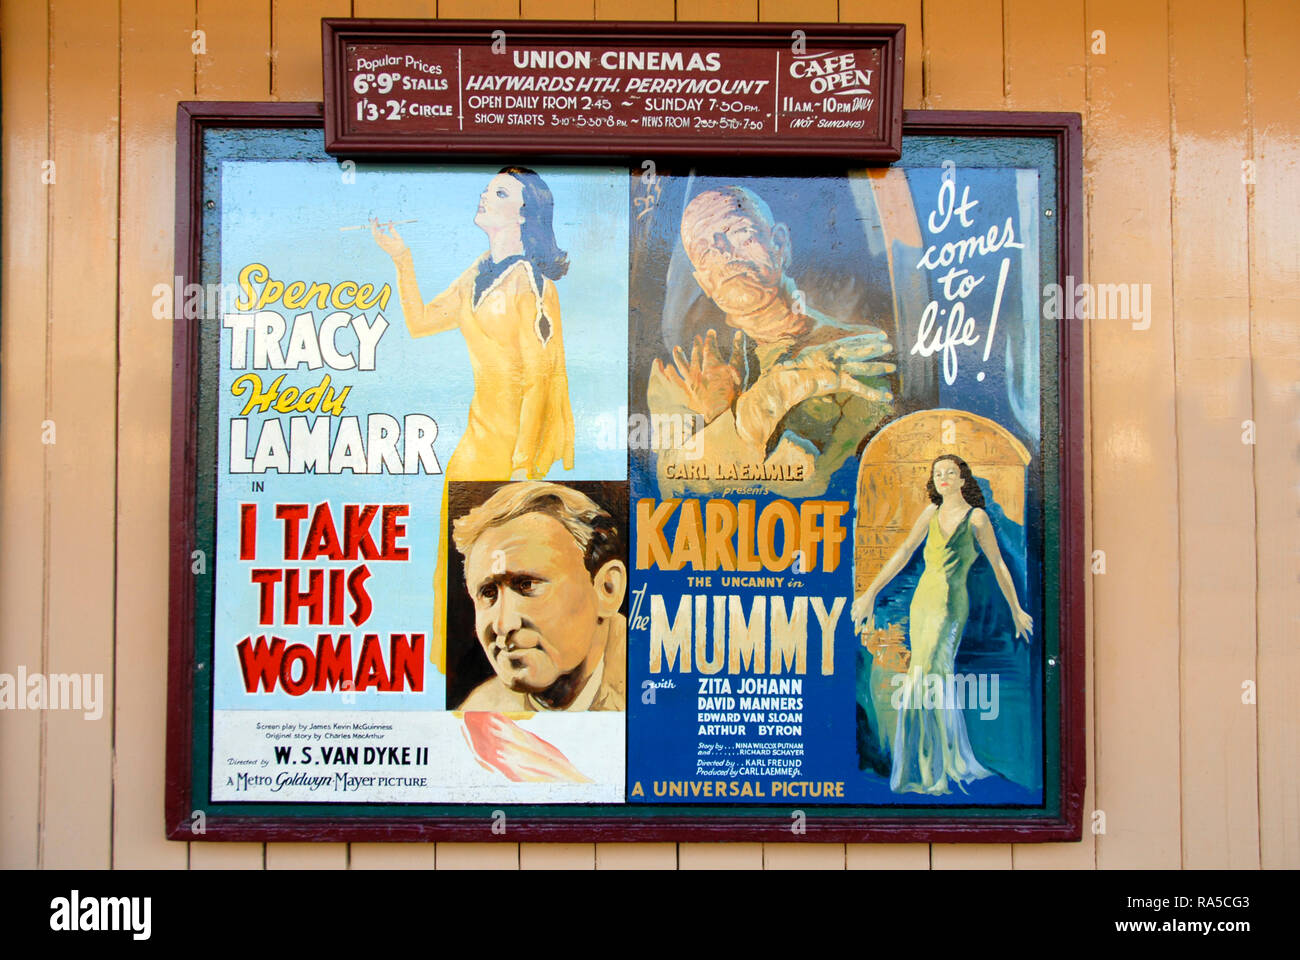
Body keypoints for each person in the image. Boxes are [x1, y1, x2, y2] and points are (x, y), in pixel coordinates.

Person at [371, 167, 576, 672]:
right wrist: (401, 258)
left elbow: (538, 380)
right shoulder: (478, 270)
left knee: (513, 568)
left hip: (511, 454)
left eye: (500, 192)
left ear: (524, 213)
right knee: (462, 565)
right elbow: (420, 323)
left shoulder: (531, 282)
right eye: (488, 189)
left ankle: (521, 676)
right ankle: (459, 672)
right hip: (473, 447)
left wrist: (523, 469)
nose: (485, 195)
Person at [648, 185, 895, 495]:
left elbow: (835, 485)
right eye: (706, 251)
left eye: (739, 233)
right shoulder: (683, 369)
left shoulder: (854, 350)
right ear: (704, 281)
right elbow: (673, 485)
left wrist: (718, 426)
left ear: (779, 243)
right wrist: (770, 396)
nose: (724, 253)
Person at [851, 454, 1033, 795]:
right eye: (938, 473)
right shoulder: (930, 513)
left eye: (951, 472)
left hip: (950, 603)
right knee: (924, 674)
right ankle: (923, 766)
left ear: (964, 479)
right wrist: (870, 594)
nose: (944, 477)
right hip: (923, 601)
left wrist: (1016, 609)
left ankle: (931, 766)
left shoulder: (976, 518)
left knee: (929, 675)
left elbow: (998, 565)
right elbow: (904, 551)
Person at [451, 482, 627, 712]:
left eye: (527, 585)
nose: (504, 625)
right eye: (489, 593)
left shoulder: (654, 690)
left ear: (607, 589)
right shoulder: (478, 711)